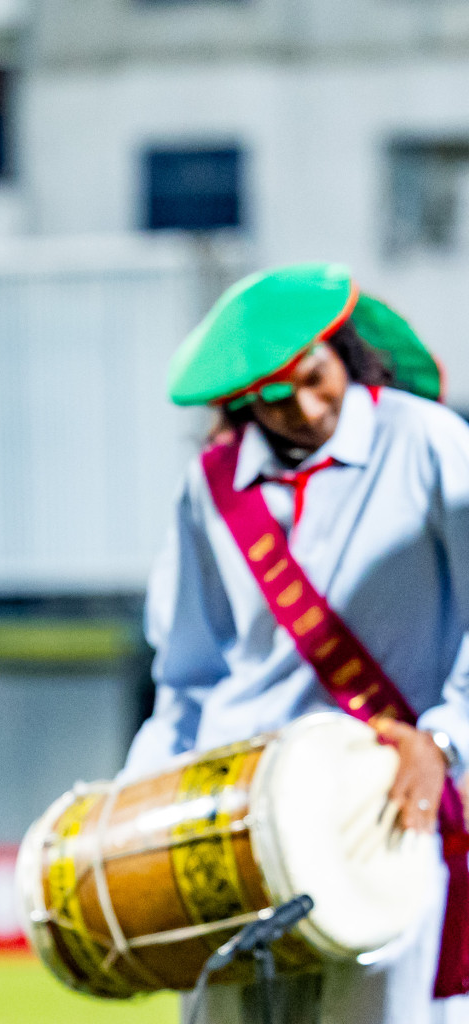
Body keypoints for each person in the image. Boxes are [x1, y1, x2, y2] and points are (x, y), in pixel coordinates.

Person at [123, 262, 469, 1023]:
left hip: (384, 803)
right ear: (243, 404)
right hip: (236, 812)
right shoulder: (209, 484)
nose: (307, 409)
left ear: (341, 351)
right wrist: (140, 799)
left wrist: (444, 741)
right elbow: (187, 674)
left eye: (318, 376)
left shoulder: (430, 444)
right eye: (275, 401)